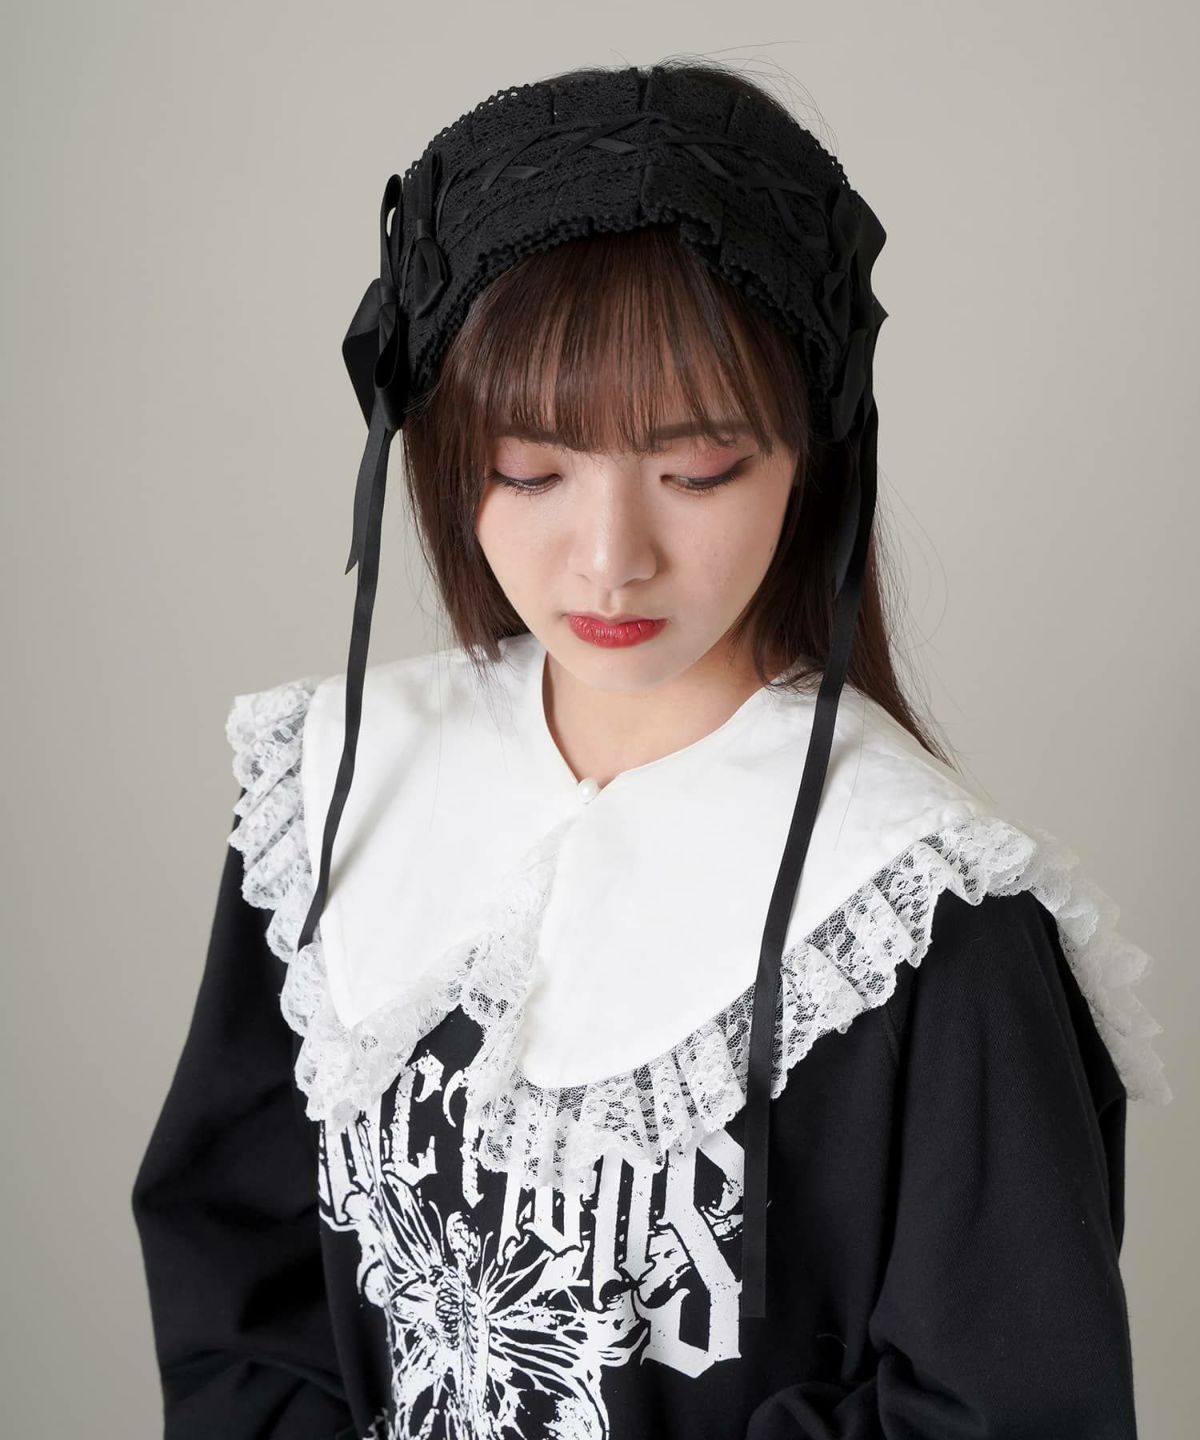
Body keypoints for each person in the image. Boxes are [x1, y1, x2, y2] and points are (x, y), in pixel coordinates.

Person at [131, 58, 1171, 1439]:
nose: (610, 558)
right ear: (439, 452)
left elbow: (1010, 1408)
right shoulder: (343, 784)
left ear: (810, 456)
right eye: (532, 469)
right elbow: (236, 1286)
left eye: (696, 471)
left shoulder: (925, 915)